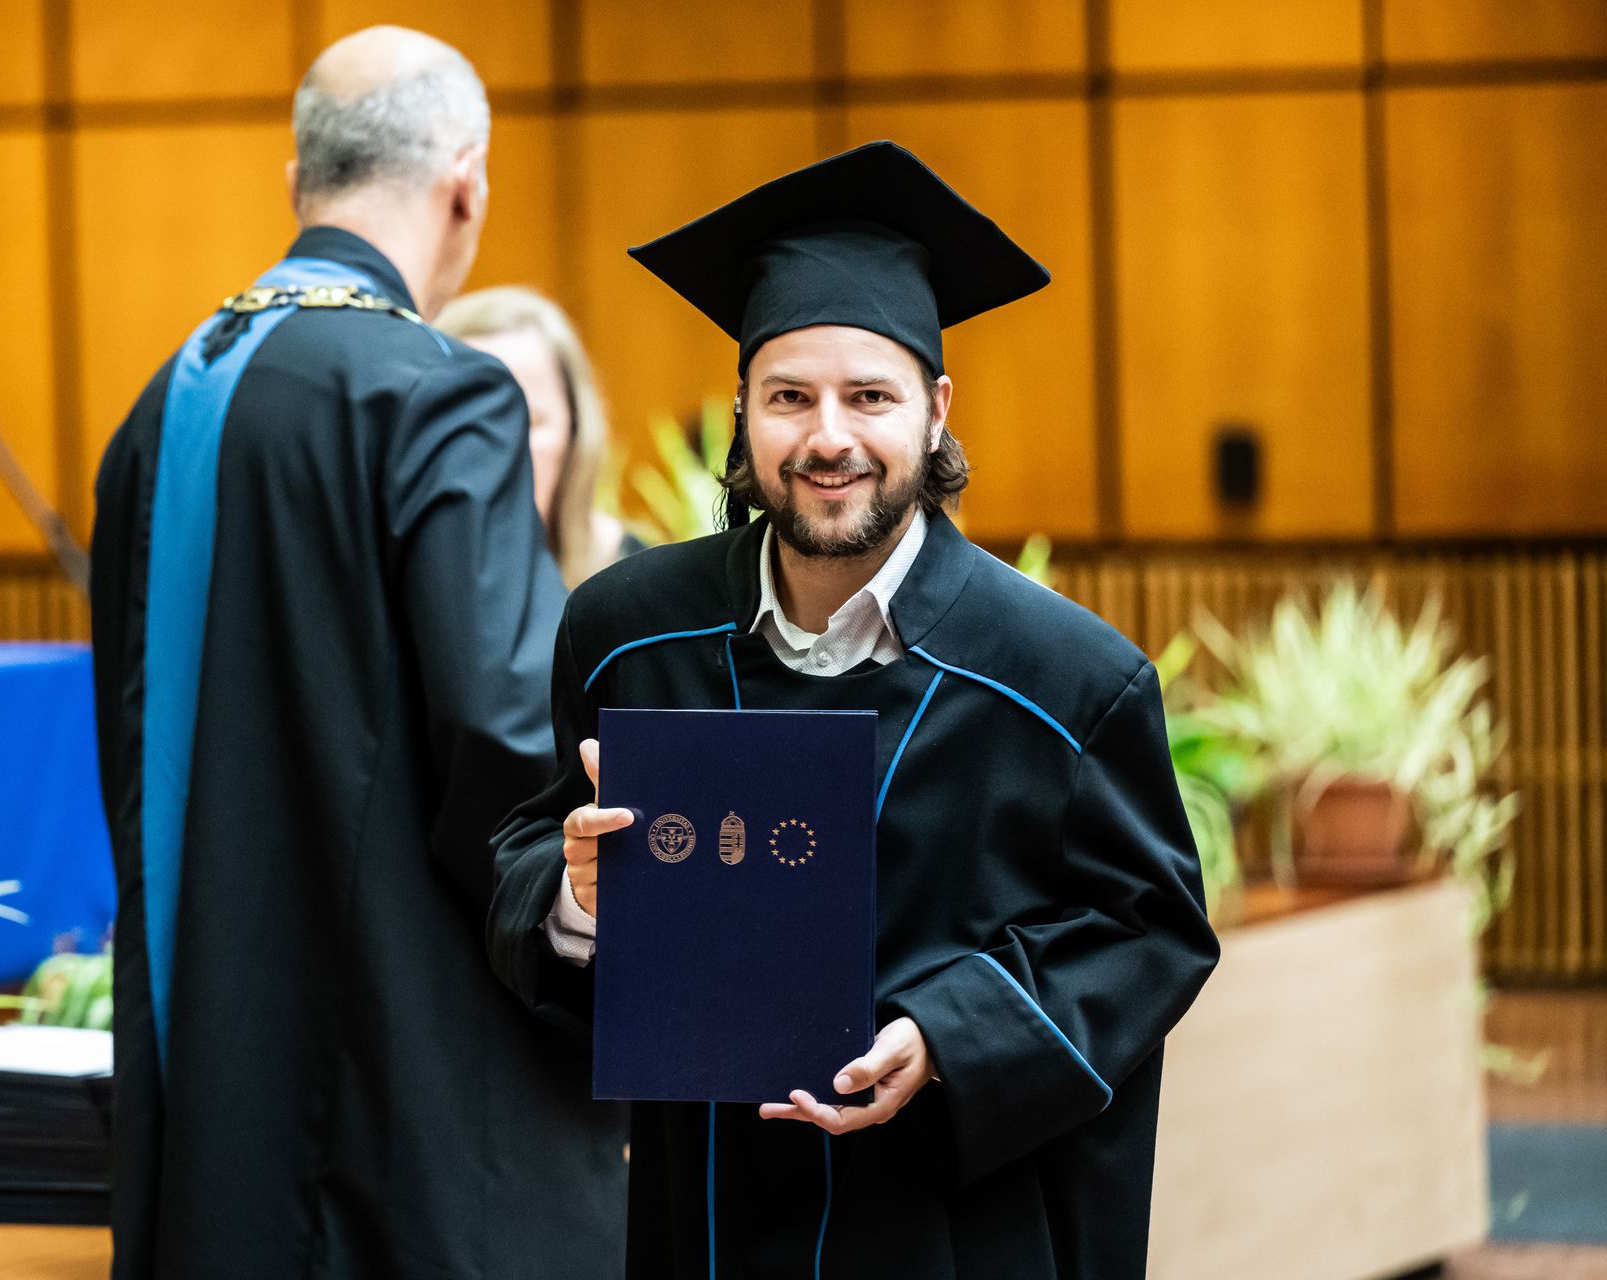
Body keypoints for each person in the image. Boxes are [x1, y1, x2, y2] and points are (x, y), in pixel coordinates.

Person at [487, 141, 1220, 1279]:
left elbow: (1151, 931)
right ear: (743, 409)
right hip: (708, 1217)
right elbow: (531, 844)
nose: (828, 436)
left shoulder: (1067, 680)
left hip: (945, 1226)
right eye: (790, 396)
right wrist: (575, 893)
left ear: (934, 412)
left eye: (869, 396)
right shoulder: (627, 634)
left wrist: (950, 1032)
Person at [90, 27, 624, 1280]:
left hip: (204, 1076)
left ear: (296, 182)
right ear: (466, 184)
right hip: (399, 1099)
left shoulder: (158, 406)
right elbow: (504, 735)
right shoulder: (435, 392)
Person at [437, 286, 640, 586]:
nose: (500, 445)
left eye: (529, 419)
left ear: (575, 430)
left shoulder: (635, 579)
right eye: (471, 420)